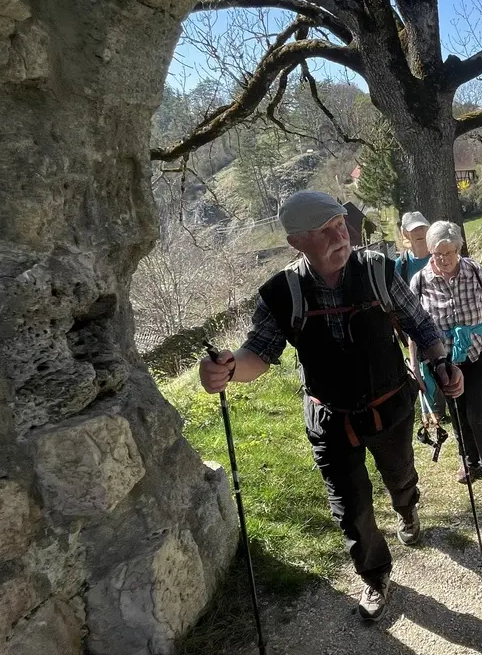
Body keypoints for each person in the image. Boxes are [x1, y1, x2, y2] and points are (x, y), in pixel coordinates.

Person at [197, 191, 464, 623]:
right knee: (351, 508)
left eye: (341, 224)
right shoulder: (281, 293)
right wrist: (225, 369)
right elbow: (257, 356)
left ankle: (408, 508)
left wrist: (441, 360)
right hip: (330, 421)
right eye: (326, 231)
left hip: (389, 407)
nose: (341, 236)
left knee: (399, 477)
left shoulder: (379, 271)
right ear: (297, 241)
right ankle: (375, 577)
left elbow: (419, 322)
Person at [409, 221, 482, 487]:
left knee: (479, 413)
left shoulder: (475, 271)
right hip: (443, 360)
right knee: (458, 413)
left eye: (448, 253)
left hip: (478, 353)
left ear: (459, 248)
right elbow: (413, 330)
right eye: (436, 254)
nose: (443, 259)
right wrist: (416, 368)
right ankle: (469, 461)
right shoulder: (419, 282)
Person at [395, 211, 431, 283]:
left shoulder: (440, 257)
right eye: (414, 230)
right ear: (406, 234)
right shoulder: (400, 265)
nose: (419, 233)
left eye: (422, 228)